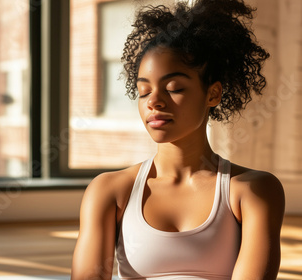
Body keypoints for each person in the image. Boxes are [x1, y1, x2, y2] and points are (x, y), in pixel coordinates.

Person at [71, 0, 285, 279]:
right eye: (144, 91)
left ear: (213, 94)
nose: (154, 102)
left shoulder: (253, 191)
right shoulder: (109, 191)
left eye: (174, 88)